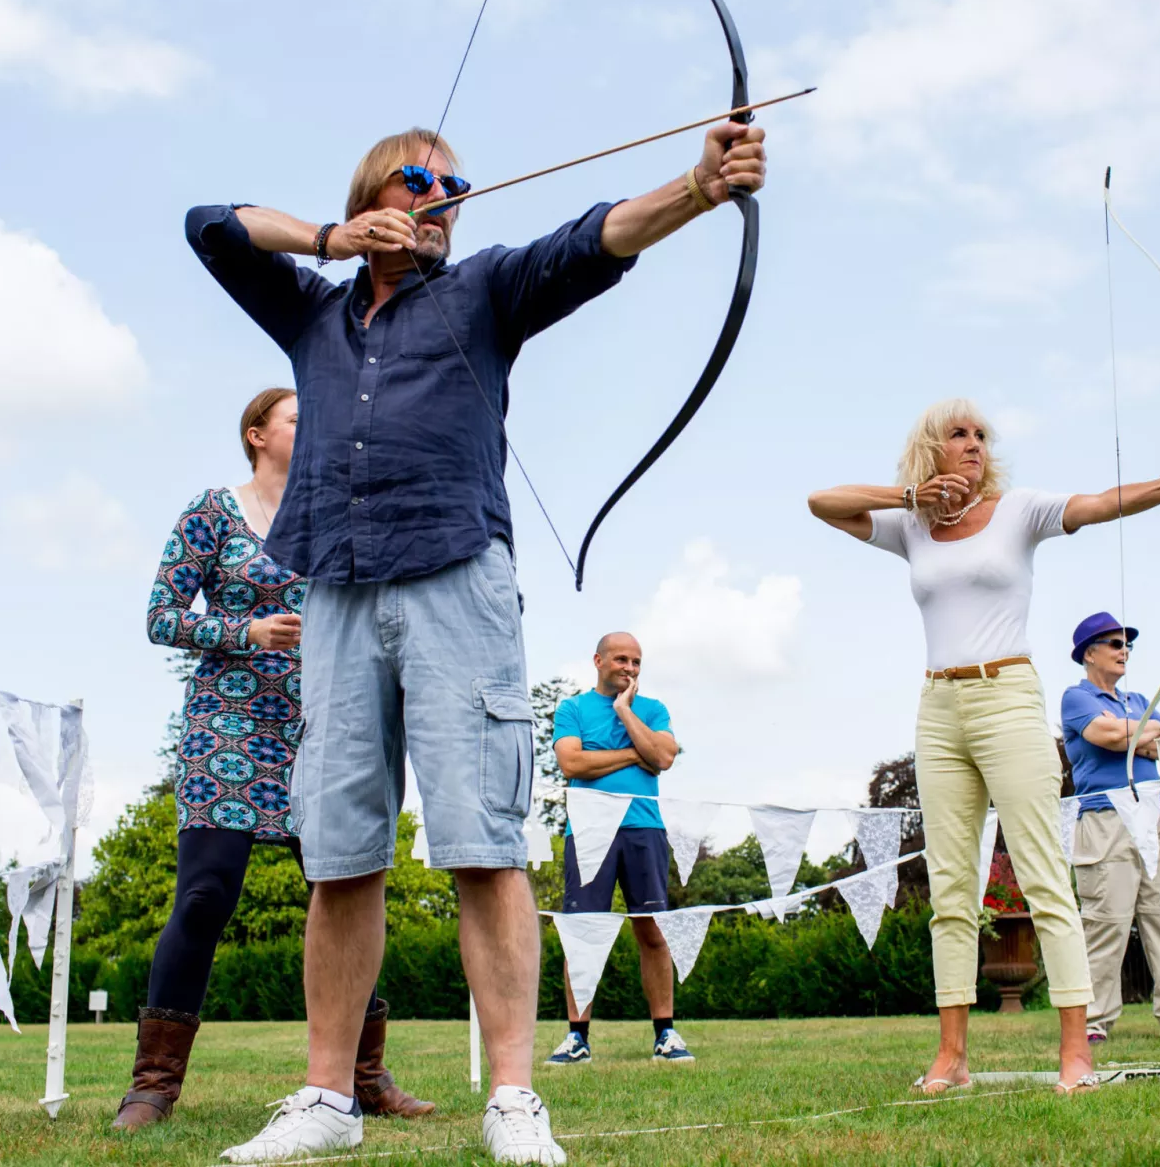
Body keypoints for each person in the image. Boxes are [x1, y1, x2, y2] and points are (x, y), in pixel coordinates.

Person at [187, 117, 766, 1164]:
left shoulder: (487, 286)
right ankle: (325, 1096)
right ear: (375, 195)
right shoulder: (311, 315)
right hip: (339, 589)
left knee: (485, 841)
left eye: (459, 187)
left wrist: (700, 183)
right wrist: (332, 238)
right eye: (424, 181)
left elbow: (597, 238)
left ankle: (511, 1095)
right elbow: (211, 226)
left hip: (458, 577)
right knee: (342, 854)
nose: (447, 198)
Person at [806, 397, 1160, 1095]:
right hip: (938, 706)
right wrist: (914, 496)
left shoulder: (1018, 509)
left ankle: (1076, 1052)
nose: (974, 443)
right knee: (951, 886)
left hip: (1008, 695)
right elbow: (823, 502)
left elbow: (1096, 503)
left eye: (980, 434)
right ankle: (952, 1055)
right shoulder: (910, 525)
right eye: (958, 434)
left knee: (1041, 875)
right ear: (930, 447)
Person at [121, 388, 433, 1131]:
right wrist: (245, 630)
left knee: (348, 894)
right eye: (298, 416)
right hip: (226, 723)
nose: (314, 425)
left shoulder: (334, 510)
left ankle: (364, 1077)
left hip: (322, 721)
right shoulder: (211, 512)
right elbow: (161, 616)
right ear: (257, 434)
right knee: (205, 895)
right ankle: (152, 1086)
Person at [544, 633, 689, 1068]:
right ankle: (577, 1038)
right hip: (587, 831)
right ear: (599, 661)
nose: (630, 668)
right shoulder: (573, 708)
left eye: (637, 662)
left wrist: (624, 711)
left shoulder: (652, 709)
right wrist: (633, 753)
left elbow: (663, 757)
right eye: (621, 659)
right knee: (582, 933)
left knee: (652, 931)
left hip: (644, 828)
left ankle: (665, 1033)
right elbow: (572, 764)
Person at [1062, 612, 1160, 1044]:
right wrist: (1147, 736)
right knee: (1106, 923)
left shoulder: (1140, 700)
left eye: (1127, 645)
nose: (1124, 651)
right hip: (1107, 819)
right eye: (1114, 644)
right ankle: (1092, 1023)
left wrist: (1141, 734)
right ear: (1090, 654)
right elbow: (1105, 734)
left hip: (1157, 816)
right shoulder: (1076, 697)